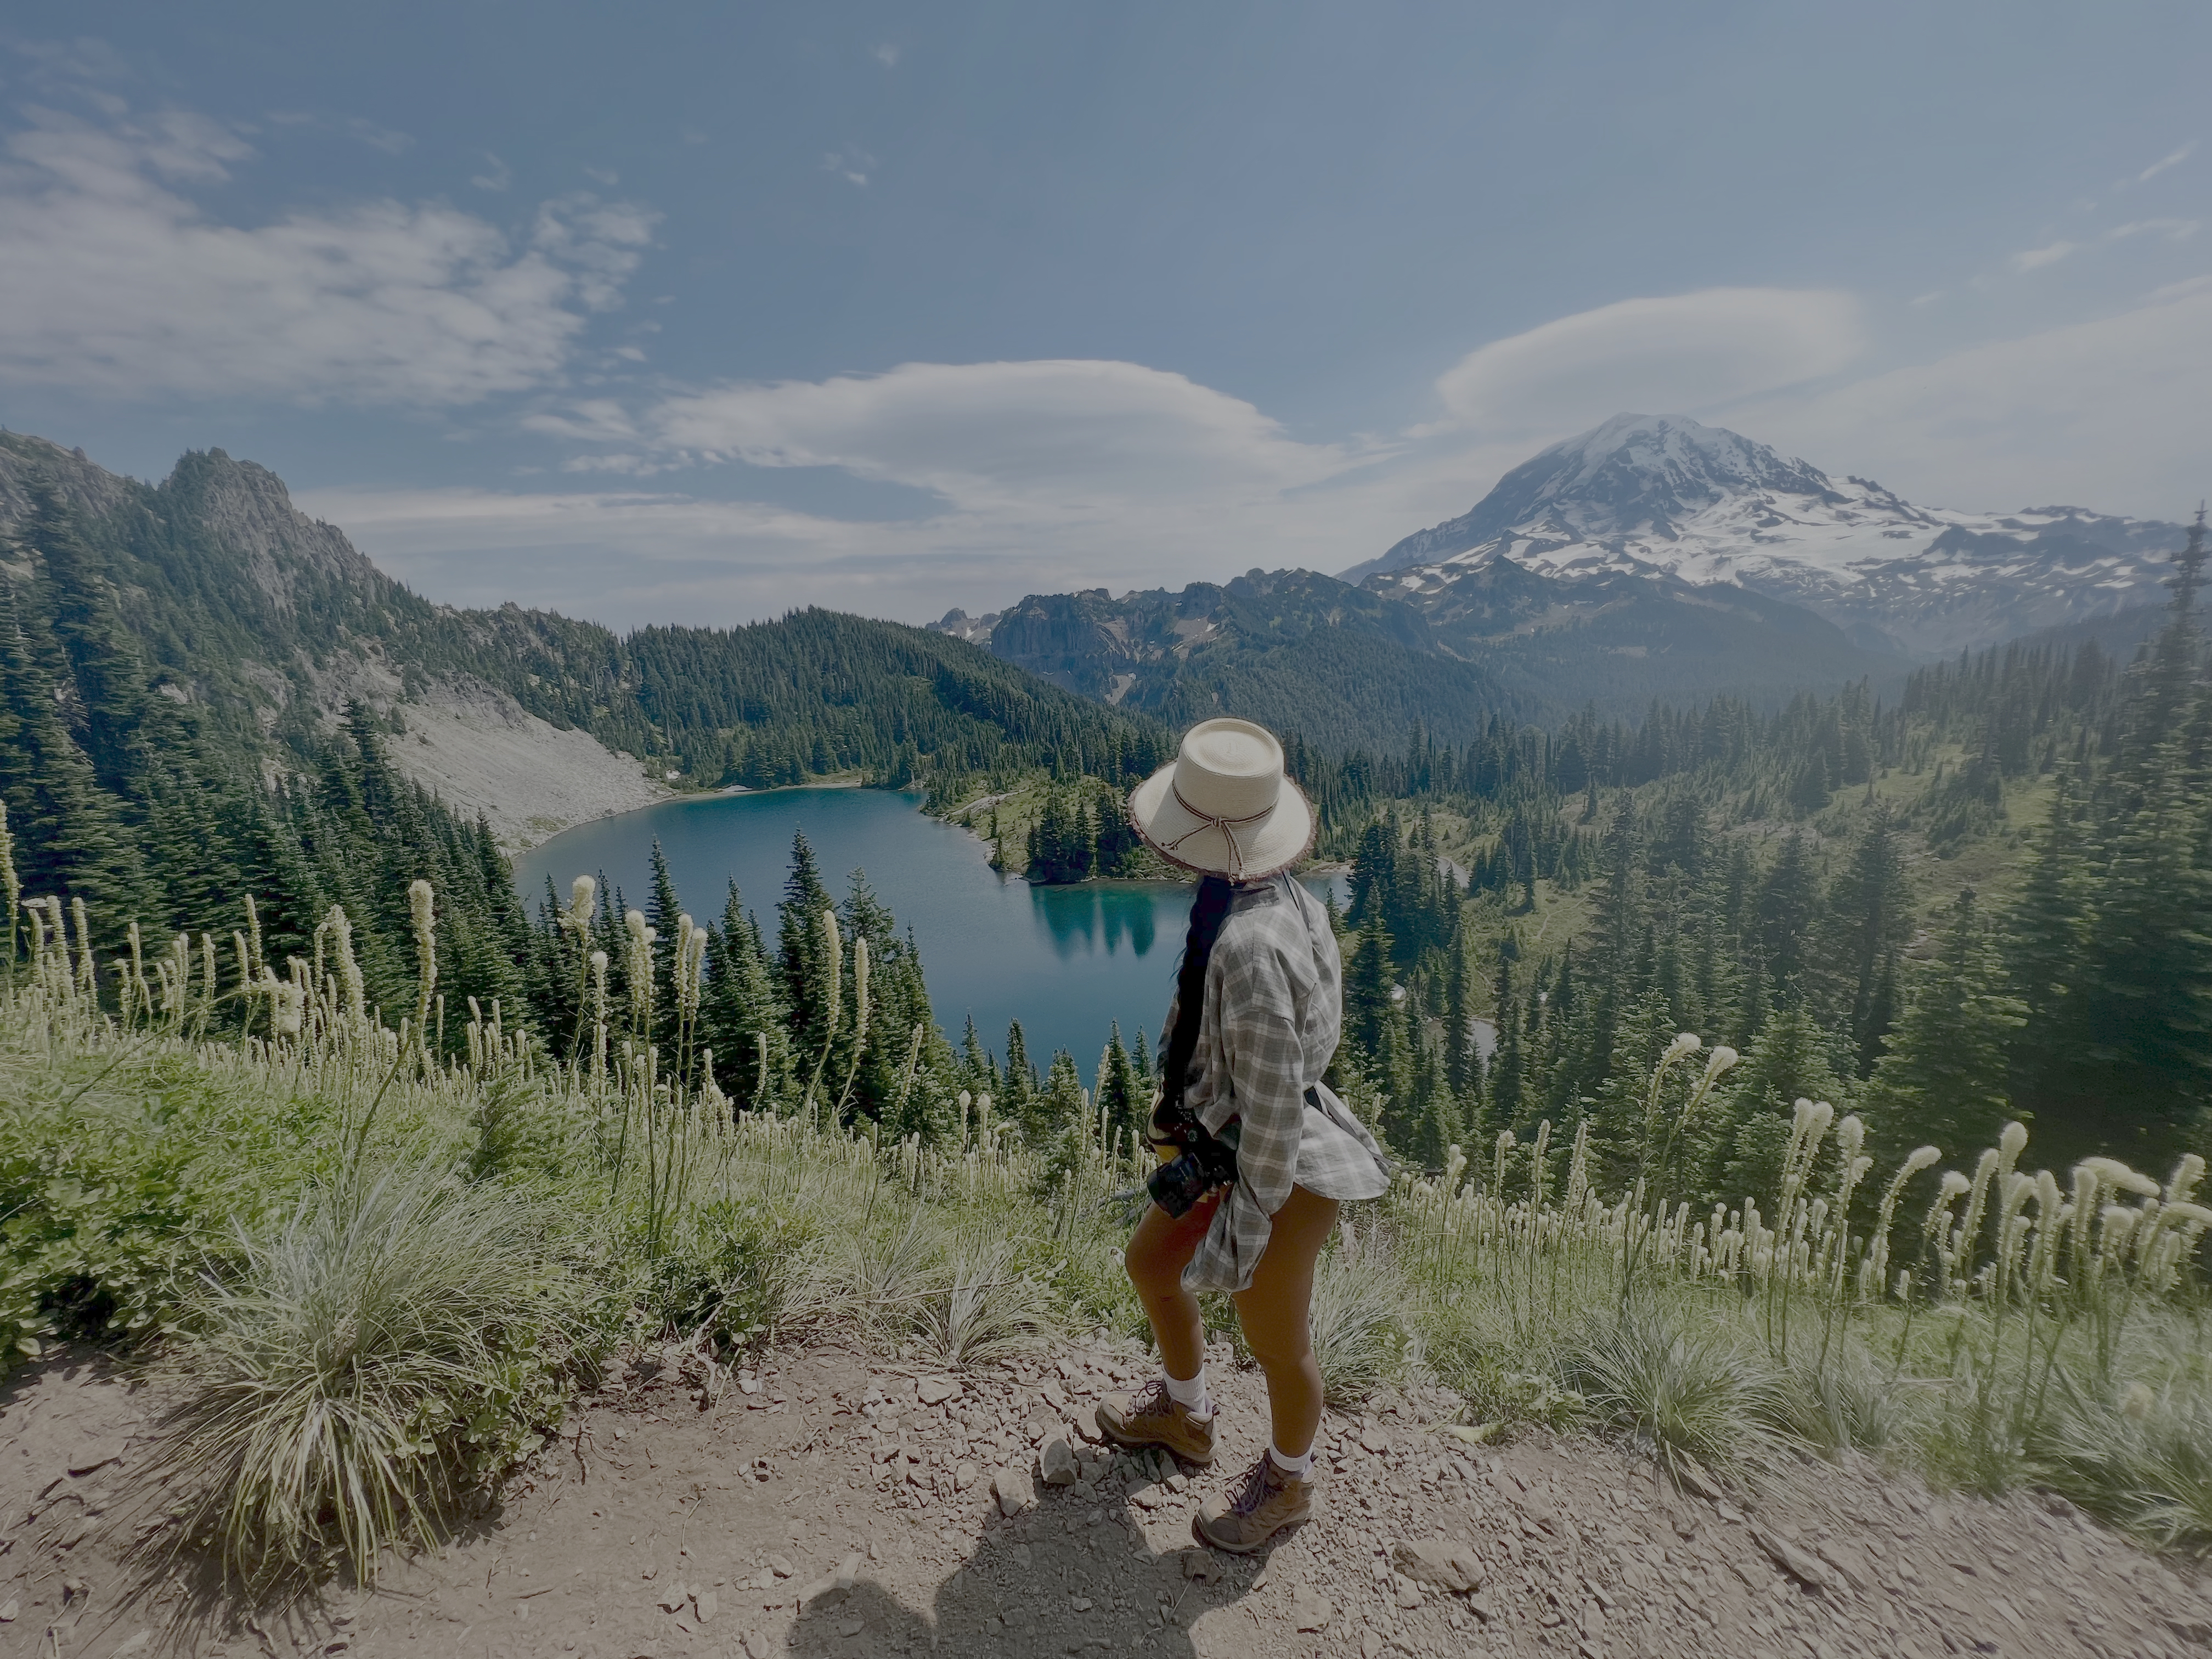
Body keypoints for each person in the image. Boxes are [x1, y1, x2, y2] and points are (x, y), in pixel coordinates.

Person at [1093, 717, 1392, 1553]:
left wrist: (1242, 1231)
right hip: (1224, 1149)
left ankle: (1289, 1482)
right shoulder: (1266, 895)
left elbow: (1272, 1116)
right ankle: (1186, 1417)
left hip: (1275, 1172)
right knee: (1151, 1264)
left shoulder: (1253, 948)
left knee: (1274, 1337)